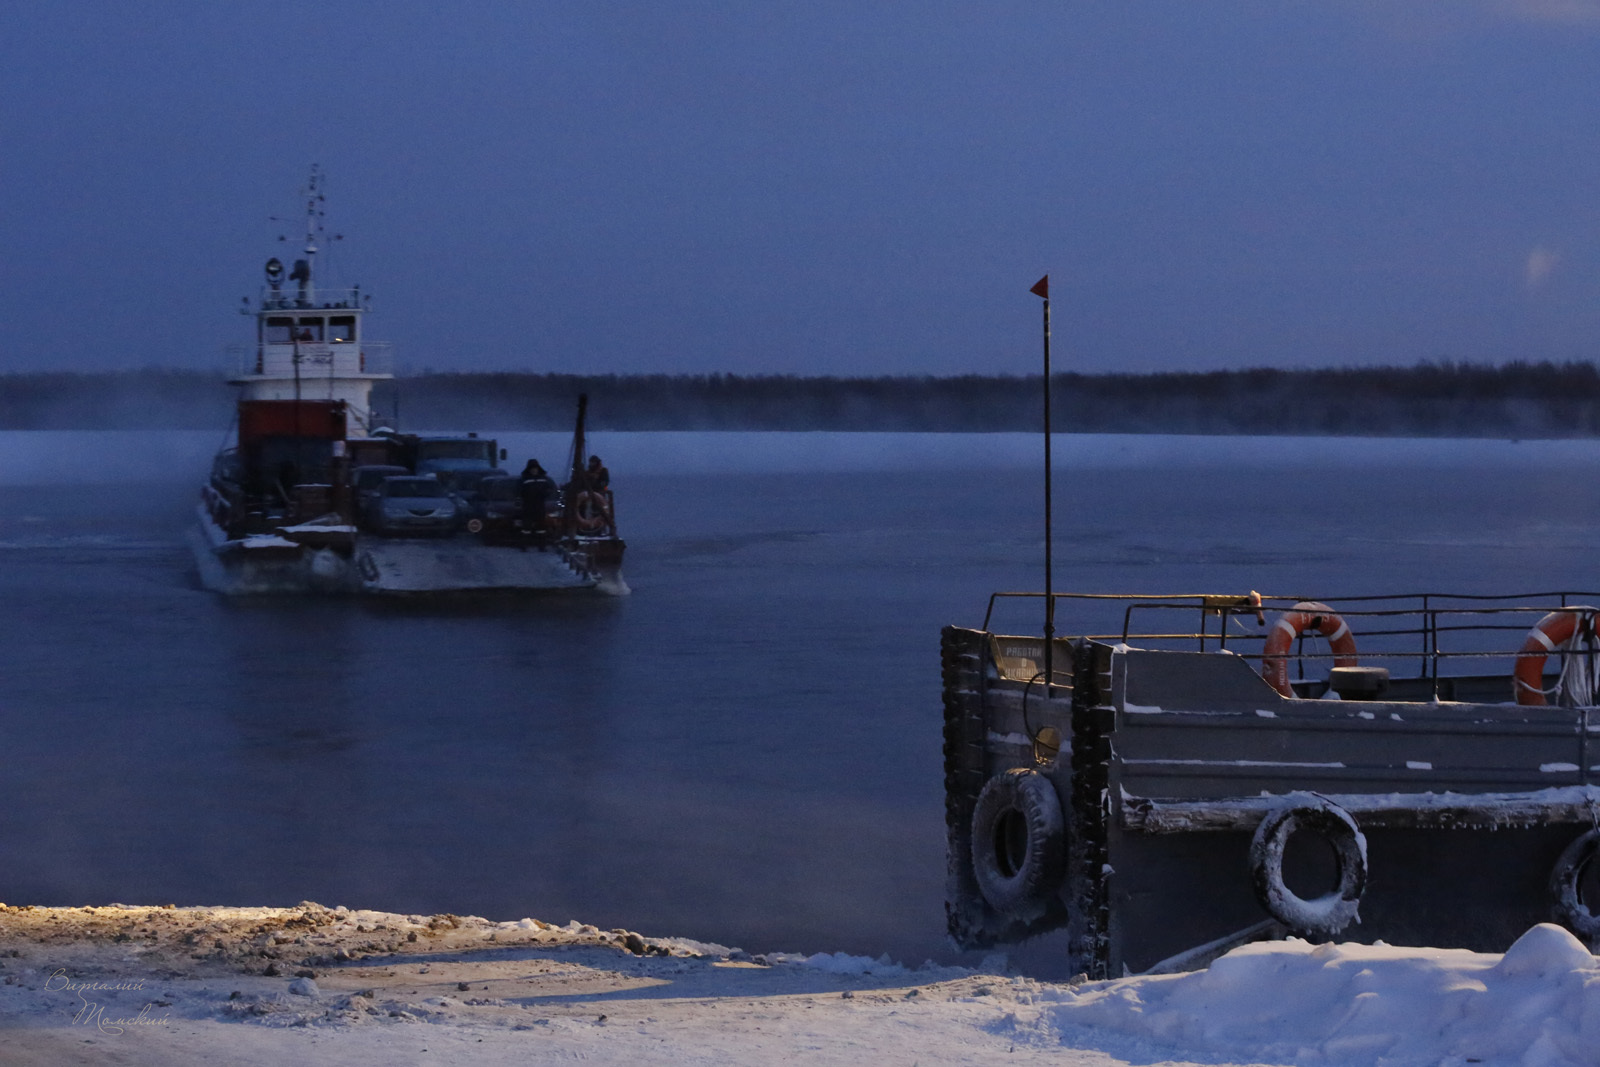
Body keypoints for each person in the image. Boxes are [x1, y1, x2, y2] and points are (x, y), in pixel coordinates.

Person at [519, 459, 555, 531]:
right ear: (529, 469)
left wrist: (545, 493)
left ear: (538, 469)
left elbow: (550, 489)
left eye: (535, 468)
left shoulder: (544, 479)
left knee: (541, 526)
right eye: (532, 469)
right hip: (528, 505)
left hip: (540, 505)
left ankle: (541, 538)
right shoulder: (524, 479)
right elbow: (519, 491)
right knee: (527, 526)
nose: (534, 470)